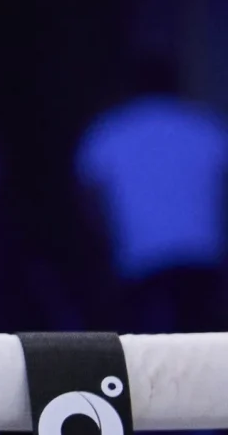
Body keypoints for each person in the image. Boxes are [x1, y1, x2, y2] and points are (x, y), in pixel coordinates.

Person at [77, 54, 228, 333]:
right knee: (203, 344)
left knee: (148, 353)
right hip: (202, 256)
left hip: (138, 261)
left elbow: (92, 203)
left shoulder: (108, 132)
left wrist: (106, 252)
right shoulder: (206, 126)